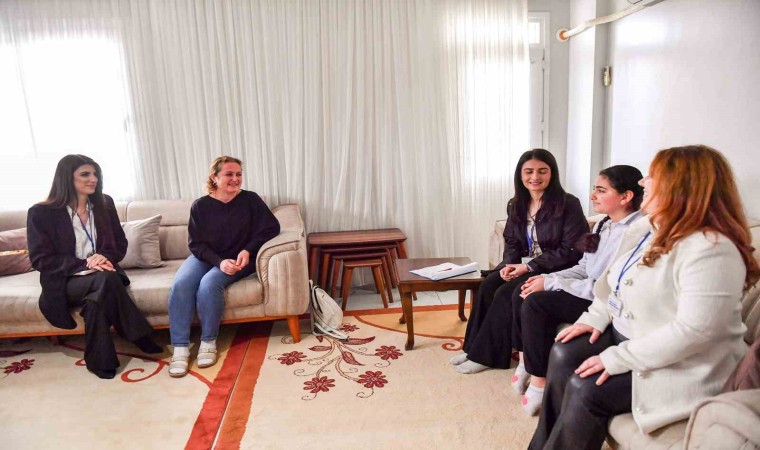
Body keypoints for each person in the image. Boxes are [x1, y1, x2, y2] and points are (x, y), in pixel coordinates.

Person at [529, 145, 760, 450]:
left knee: (586, 388)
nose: (642, 182)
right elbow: (614, 283)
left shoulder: (712, 249)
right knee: (563, 352)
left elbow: (695, 332)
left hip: (682, 362)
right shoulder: (647, 228)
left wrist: (617, 358)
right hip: (629, 334)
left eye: (652, 176)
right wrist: (595, 317)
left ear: (680, 186)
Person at [515, 165, 644, 415]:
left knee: (536, 303)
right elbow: (584, 267)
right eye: (594, 189)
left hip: (602, 301)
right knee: (526, 289)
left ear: (626, 197)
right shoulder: (603, 225)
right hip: (587, 290)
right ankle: (525, 363)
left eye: (601, 190)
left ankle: (540, 382)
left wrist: (551, 283)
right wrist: (546, 277)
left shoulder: (635, 234)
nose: (592, 195)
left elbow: (606, 287)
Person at [450, 149, 588, 374]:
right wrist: (508, 266)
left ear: (552, 174)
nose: (535, 177)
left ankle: (487, 356)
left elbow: (571, 249)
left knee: (507, 293)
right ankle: (472, 348)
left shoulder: (568, 204)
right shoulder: (516, 203)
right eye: (529, 171)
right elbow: (512, 241)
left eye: (542, 171)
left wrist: (529, 266)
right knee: (489, 284)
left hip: (555, 266)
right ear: (520, 175)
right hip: (525, 265)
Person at [27, 154, 162, 379]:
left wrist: (103, 257)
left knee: (96, 301)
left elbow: (120, 244)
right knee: (106, 279)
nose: (93, 179)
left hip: (103, 274)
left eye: (95, 174)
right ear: (66, 178)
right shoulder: (42, 213)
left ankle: (101, 362)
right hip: (66, 282)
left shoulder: (104, 204)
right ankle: (138, 335)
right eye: (85, 174)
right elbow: (40, 259)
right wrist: (85, 263)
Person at [168, 156, 280, 377]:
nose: (235, 179)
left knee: (209, 284)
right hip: (206, 257)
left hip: (240, 258)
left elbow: (271, 228)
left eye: (238, 174)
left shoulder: (250, 199)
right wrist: (219, 262)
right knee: (181, 284)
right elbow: (196, 244)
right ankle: (180, 348)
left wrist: (247, 250)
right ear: (215, 177)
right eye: (229, 174)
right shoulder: (200, 206)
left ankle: (208, 342)